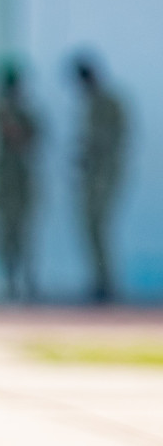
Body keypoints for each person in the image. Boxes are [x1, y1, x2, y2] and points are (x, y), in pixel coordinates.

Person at [71, 53, 127, 303]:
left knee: (99, 226)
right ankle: (100, 280)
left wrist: (92, 150)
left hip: (104, 175)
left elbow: (114, 138)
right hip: (93, 175)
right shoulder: (91, 103)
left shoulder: (109, 102)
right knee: (91, 227)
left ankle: (106, 282)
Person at [0, 63, 39, 302]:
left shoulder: (27, 114)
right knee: (4, 235)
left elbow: (24, 137)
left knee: (24, 235)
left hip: (22, 183)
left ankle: (27, 283)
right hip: (3, 183)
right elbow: (0, 127)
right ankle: (9, 283)